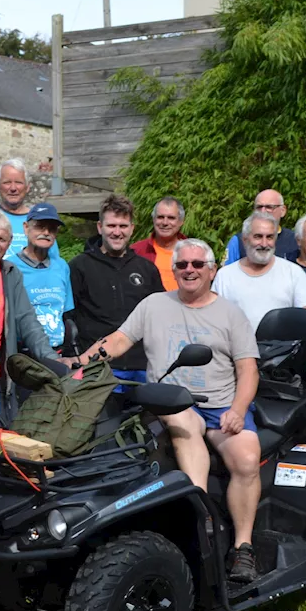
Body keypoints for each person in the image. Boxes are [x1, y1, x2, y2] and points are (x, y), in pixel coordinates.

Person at [74, 239, 263, 584]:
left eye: (197, 264)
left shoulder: (231, 313)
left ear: (212, 270)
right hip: (169, 402)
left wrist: (238, 409)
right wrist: (77, 362)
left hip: (221, 404)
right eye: (182, 265)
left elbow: (248, 370)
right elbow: (117, 341)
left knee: (248, 458)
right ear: (173, 271)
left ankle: (243, 548)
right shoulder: (154, 304)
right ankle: (201, 515)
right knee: (182, 420)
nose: (189, 270)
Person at [0, 207, 60, 420]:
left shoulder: (10, 274)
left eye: (2, 239)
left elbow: (27, 320)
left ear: (10, 241)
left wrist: (52, 360)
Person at [68, 194, 165, 385]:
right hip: (98, 368)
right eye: (111, 226)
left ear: (132, 229)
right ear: (99, 227)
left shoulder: (146, 269)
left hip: (142, 367)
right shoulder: (79, 267)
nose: (117, 232)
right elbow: (68, 316)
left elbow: (160, 316)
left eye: (123, 226)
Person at [212, 212, 306, 333]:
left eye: (269, 237)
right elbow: (214, 321)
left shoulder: (293, 272)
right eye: (258, 236)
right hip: (236, 350)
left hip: (282, 351)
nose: (264, 243)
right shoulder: (225, 276)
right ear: (245, 240)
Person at [11, 203, 74, 352]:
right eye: (40, 226)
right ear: (26, 228)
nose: (46, 232)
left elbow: (66, 312)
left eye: (52, 228)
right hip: (23, 353)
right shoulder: (10, 267)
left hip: (58, 352)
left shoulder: (62, 267)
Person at [223, 189, 299, 263]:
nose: (263, 211)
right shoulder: (239, 241)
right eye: (259, 207)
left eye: (269, 207)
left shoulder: (295, 241)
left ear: (283, 210)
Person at [130, 196, 188, 291]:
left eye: (171, 218)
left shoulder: (194, 251)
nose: (165, 222)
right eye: (160, 217)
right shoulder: (137, 251)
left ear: (181, 221)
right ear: (153, 219)